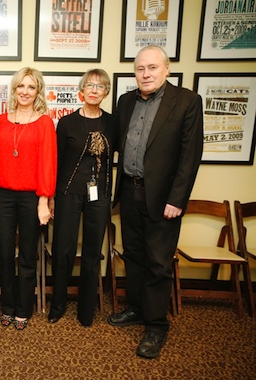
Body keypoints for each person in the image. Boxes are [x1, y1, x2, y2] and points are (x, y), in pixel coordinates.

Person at [107, 45, 203, 359]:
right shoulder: (126, 101)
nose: (146, 74)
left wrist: (177, 199)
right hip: (131, 192)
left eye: (152, 68)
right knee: (133, 255)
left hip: (163, 199)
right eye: (140, 69)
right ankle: (137, 309)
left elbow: (190, 156)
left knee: (159, 263)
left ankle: (157, 325)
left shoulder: (187, 101)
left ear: (166, 69)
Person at [48, 69, 117, 327]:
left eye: (100, 86)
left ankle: (86, 310)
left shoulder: (113, 123)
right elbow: (57, 162)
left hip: (99, 196)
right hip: (68, 194)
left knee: (91, 253)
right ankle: (58, 306)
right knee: (63, 250)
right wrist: (53, 196)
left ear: (106, 92)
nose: (94, 89)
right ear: (81, 90)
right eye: (89, 85)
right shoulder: (66, 123)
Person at [0, 67, 57, 330]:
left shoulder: (44, 123)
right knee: (5, 254)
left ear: (37, 90)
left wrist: (44, 200)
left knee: (28, 255)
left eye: (31, 87)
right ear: (14, 89)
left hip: (31, 198)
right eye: (21, 86)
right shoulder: (0, 121)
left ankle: (24, 308)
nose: (25, 92)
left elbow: (48, 164)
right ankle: (7, 305)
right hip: (3, 196)